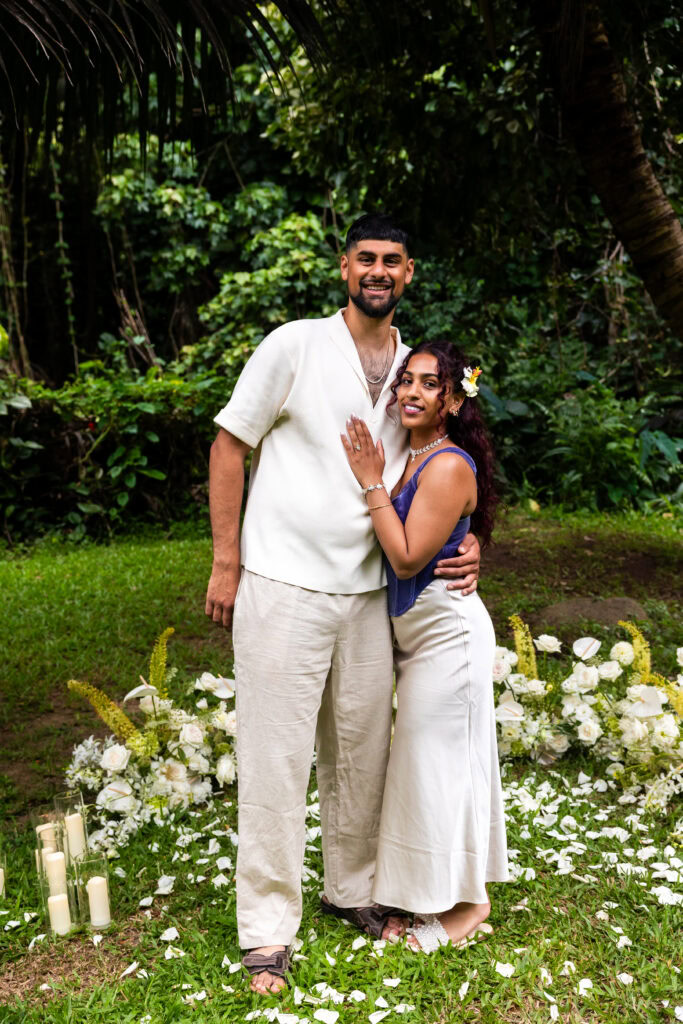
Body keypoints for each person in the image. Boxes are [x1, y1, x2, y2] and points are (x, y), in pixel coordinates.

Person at [205, 214, 481, 993]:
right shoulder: (293, 344)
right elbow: (230, 443)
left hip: (369, 595)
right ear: (343, 267)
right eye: (366, 258)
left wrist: (469, 539)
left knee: (362, 756)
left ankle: (351, 892)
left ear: (409, 272)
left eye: (392, 261)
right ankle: (265, 931)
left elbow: (444, 467)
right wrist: (227, 561)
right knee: (276, 758)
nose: (378, 271)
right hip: (283, 583)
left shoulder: (411, 366)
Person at [341, 339, 508, 953]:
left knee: (443, 768)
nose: (412, 391)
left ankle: (470, 906)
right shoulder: (410, 459)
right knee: (422, 767)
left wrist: (368, 484)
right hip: (417, 640)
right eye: (406, 380)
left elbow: (408, 554)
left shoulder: (445, 464)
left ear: (452, 400)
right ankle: (428, 889)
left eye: (429, 383)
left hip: (448, 637)